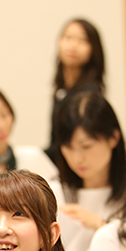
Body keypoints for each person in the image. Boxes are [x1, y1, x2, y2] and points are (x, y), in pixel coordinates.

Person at [49, 90, 126, 251]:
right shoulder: (53, 193)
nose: (77, 158)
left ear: (113, 138)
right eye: (68, 147)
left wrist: (102, 227)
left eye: (86, 146)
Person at [45, 18, 106, 164]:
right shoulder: (61, 90)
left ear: (94, 49)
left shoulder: (89, 95)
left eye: (82, 40)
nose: (73, 45)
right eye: (68, 38)